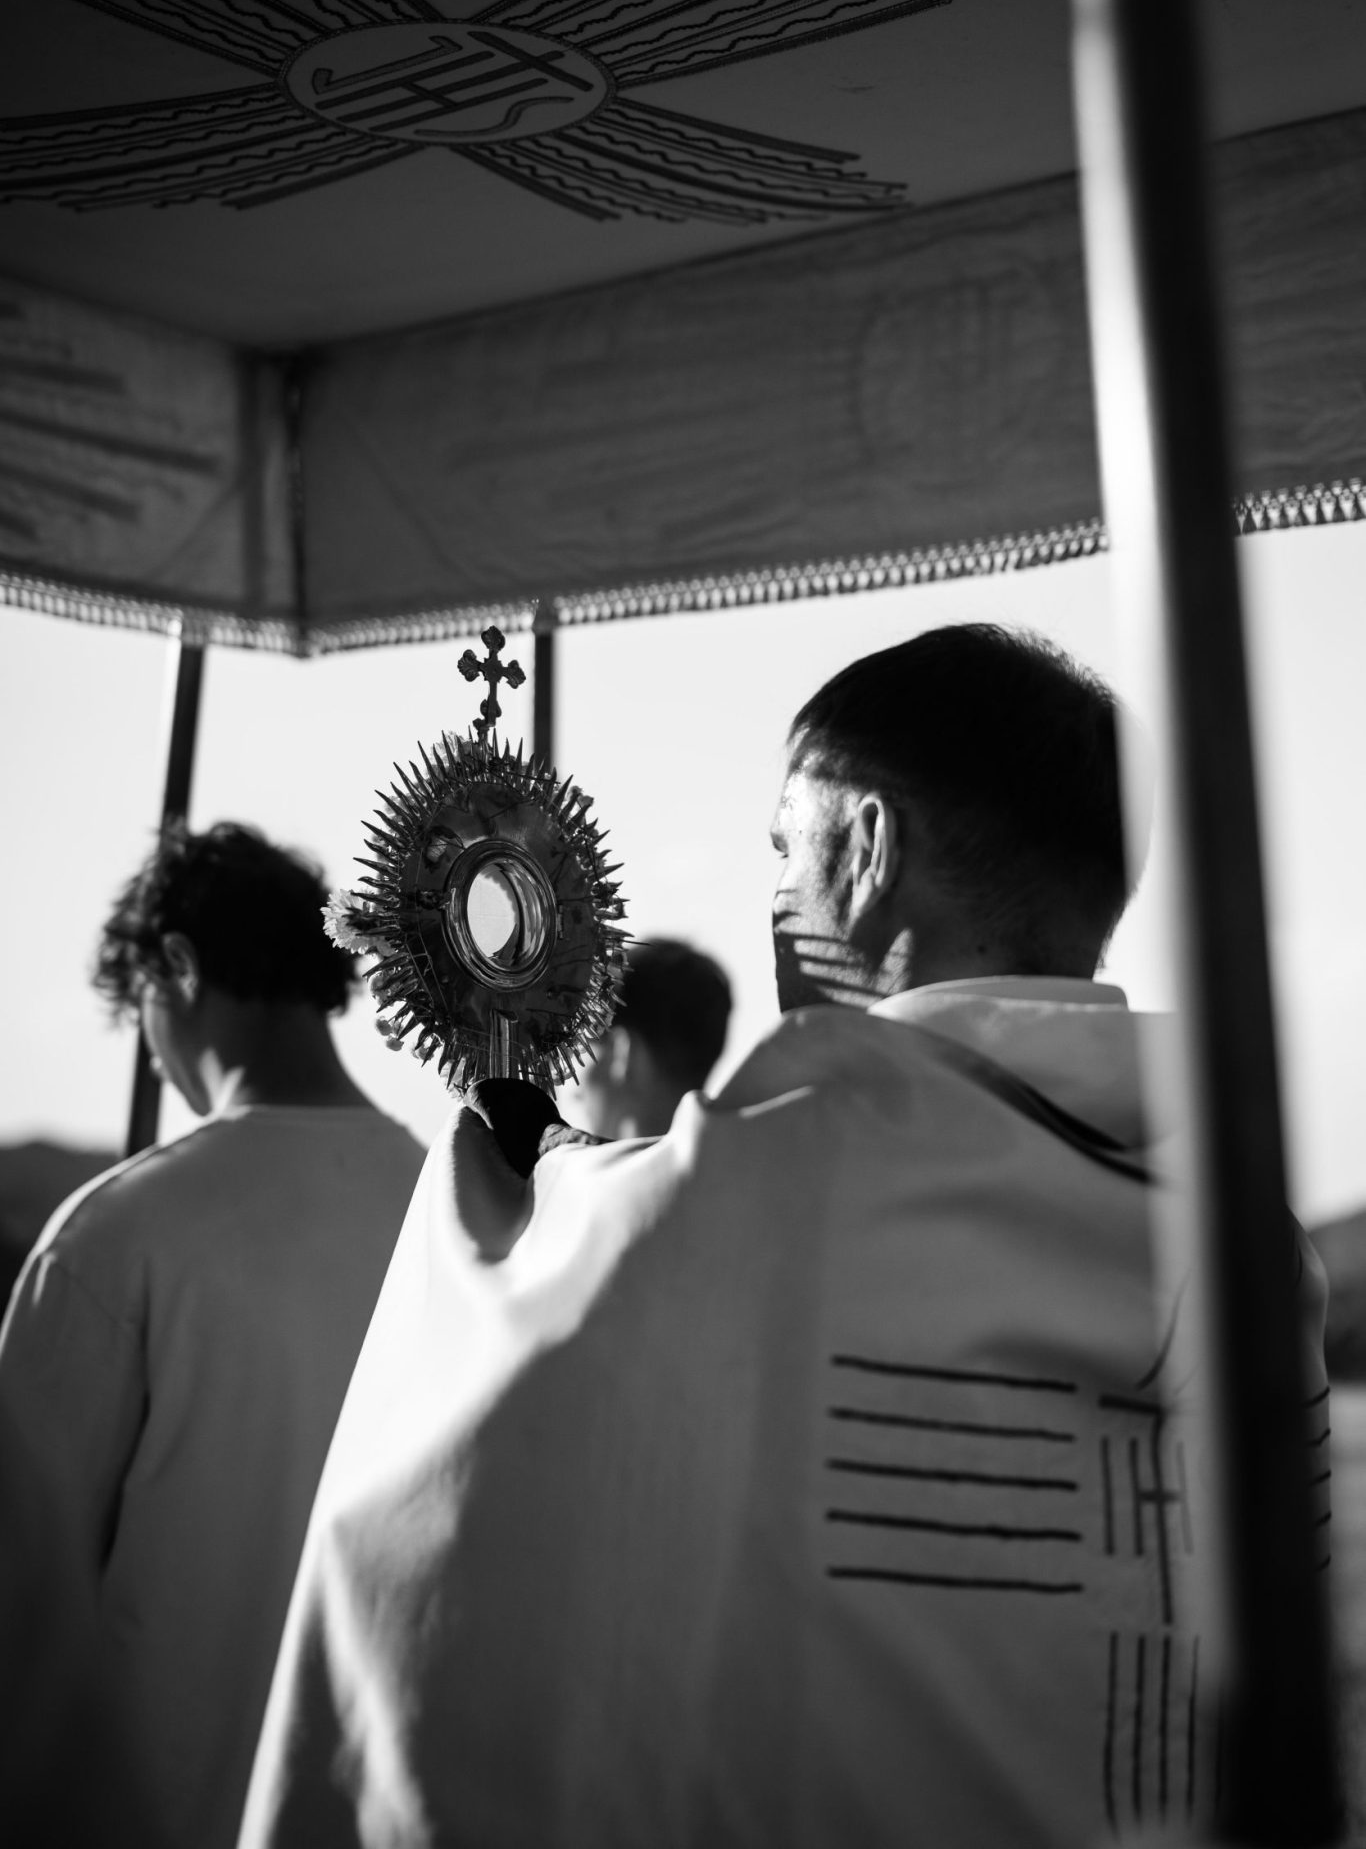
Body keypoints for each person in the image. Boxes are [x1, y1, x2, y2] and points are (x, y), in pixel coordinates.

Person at [240, 628, 1330, 1849]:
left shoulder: (766, 1190)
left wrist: (506, 1125)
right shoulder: (1257, 1248)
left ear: (864, 848)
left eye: (779, 845)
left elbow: (428, 1523)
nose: (771, 891)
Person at [0, 822, 423, 1849]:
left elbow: (19, 1600)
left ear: (178, 968)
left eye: (140, 1009)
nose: (151, 1049)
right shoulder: (461, 1217)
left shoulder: (114, 1238)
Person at [562, 936, 732, 1139]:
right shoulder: (742, 1153)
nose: (571, 1087)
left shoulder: (561, 1156)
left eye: (583, 1046)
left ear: (624, 1052)